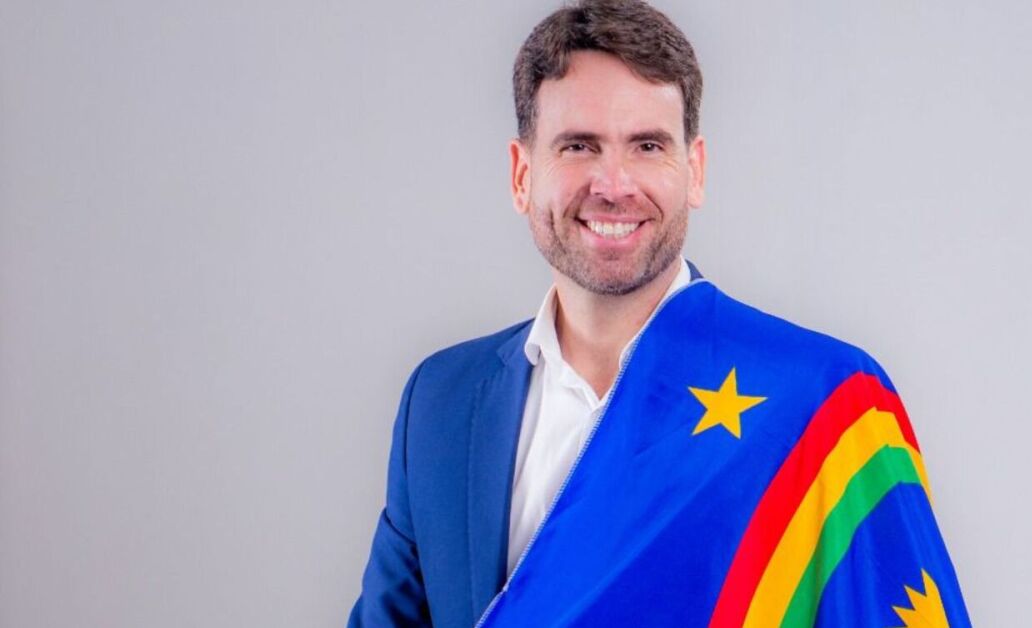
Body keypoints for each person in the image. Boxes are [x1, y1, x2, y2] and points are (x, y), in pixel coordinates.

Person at [349, 1, 970, 626]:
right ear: (521, 174)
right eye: (578, 146)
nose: (614, 184)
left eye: (648, 146)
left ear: (694, 171)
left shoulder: (824, 403)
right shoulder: (442, 402)